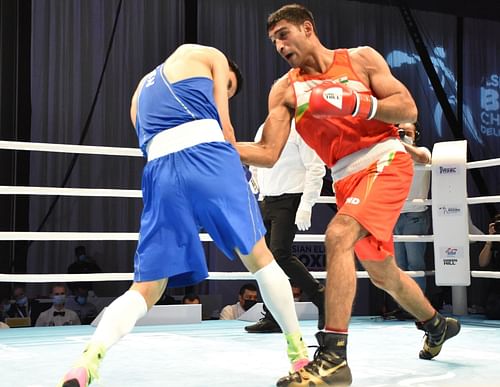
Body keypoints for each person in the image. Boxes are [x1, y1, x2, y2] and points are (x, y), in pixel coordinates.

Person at [235, 5, 460, 386]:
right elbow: (268, 153)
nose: (279, 45)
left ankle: (334, 358)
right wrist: (219, 146)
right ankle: (436, 324)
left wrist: (358, 103)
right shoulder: (285, 91)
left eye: (285, 34)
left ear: (308, 28)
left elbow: (407, 108)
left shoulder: (361, 59)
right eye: (273, 41)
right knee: (382, 271)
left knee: (338, 235)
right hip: (345, 180)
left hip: (384, 161)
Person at [59, 44, 308, 387]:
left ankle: (86, 362)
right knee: (261, 259)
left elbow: (146, 140)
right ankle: (299, 356)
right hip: (209, 157)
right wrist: (233, 168)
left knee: (145, 288)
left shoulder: (140, 89)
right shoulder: (208, 55)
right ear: (228, 73)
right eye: (230, 86)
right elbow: (226, 128)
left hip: (159, 172)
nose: (227, 91)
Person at [245, 119, 325, 333]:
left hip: (291, 197)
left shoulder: (302, 127)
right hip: (267, 199)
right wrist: (256, 188)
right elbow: (256, 162)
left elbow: (316, 168)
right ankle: (273, 315)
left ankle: (322, 297)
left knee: (280, 254)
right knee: (265, 260)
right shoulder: (264, 127)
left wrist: (307, 204)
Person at [393, 122, 431, 293]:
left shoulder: (423, 151)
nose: (403, 135)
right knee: (399, 264)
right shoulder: (393, 155)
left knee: (414, 263)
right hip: (395, 215)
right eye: (400, 132)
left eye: (407, 132)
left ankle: (420, 309)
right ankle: (404, 305)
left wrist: (402, 143)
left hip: (415, 215)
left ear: (416, 135)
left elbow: (422, 159)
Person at [478, 214, 500, 319]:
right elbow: (482, 263)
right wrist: (489, 239)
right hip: (497, 287)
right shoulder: (493, 241)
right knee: (493, 312)